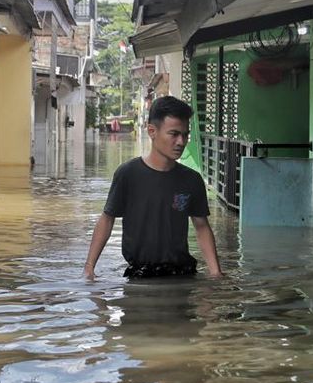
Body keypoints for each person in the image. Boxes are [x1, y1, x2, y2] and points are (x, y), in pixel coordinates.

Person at [84, 95, 221, 279]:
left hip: (181, 274)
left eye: (185, 134)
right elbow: (107, 220)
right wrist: (89, 268)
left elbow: (201, 226)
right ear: (152, 131)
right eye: (174, 134)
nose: (181, 141)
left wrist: (215, 272)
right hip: (139, 274)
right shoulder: (128, 174)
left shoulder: (192, 180)